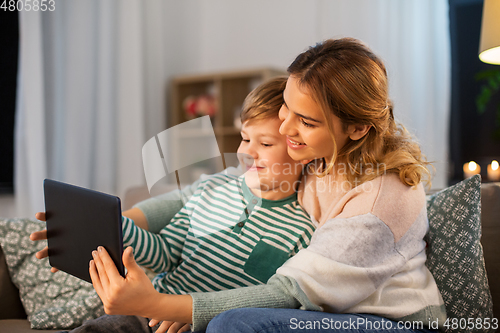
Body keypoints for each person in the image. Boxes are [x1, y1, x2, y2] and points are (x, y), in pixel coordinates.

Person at [39, 37, 448, 333]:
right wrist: (102, 224)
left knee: (234, 324)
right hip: (328, 309)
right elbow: (201, 193)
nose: (287, 128)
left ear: (358, 128)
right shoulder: (315, 157)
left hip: (383, 322)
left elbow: (287, 294)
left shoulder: (379, 203)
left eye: (305, 122)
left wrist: (162, 305)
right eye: (287, 109)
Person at [32, 77, 316, 333]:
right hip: (146, 316)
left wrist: (191, 313)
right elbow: (164, 254)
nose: (247, 152)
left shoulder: (301, 231)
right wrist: (110, 226)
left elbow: (272, 305)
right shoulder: (211, 190)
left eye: (265, 144)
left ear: (300, 151)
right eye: (244, 138)